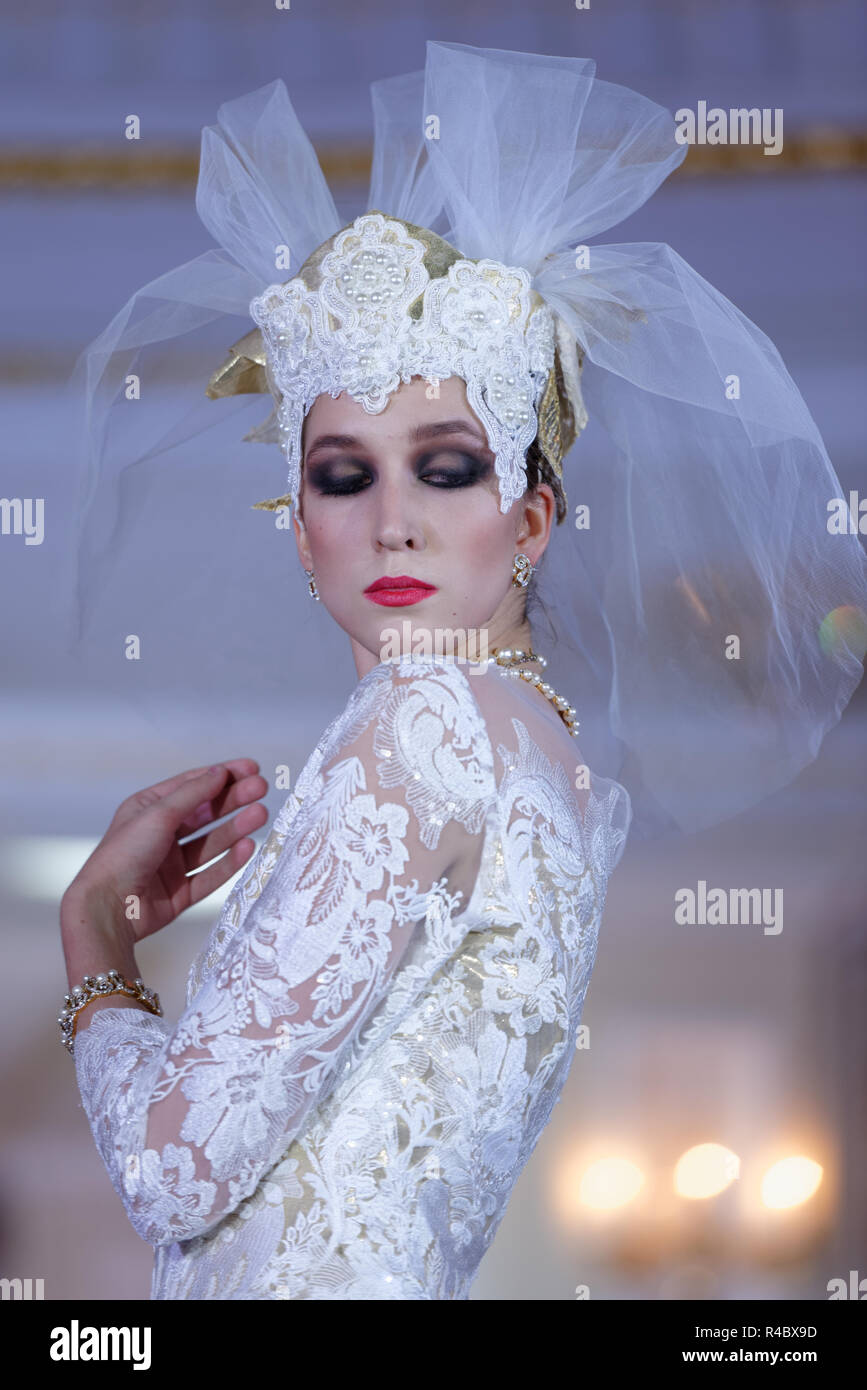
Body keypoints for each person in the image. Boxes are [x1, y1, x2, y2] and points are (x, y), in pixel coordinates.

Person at [59, 42, 866, 1300]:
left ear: (531, 519)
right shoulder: (546, 752)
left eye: (445, 467)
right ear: (299, 517)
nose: (394, 518)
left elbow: (175, 1173)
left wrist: (92, 932)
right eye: (342, 472)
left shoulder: (423, 728)